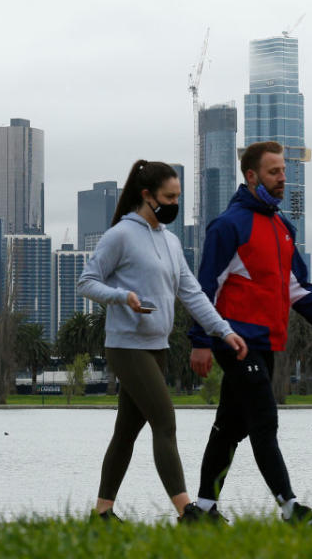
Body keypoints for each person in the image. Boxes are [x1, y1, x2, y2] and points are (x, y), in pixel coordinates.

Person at [189, 141, 312, 524]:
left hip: (266, 341)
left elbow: (295, 287)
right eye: (274, 172)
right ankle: (290, 508)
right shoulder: (228, 226)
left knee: (229, 427)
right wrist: (200, 342)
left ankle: (202, 511)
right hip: (234, 341)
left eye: (283, 171)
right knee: (264, 421)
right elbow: (203, 290)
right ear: (251, 177)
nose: (283, 178)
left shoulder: (283, 226)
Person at [78, 160, 248, 524]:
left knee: (125, 433)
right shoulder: (121, 235)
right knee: (165, 420)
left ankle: (102, 514)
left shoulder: (171, 242)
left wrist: (225, 330)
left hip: (158, 346)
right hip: (126, 346)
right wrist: (123, 297)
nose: (174, 204)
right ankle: (188, 511)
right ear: (147, 196)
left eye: (178, 198)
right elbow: (86, 281)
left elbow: (192, 293)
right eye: (168, 197)